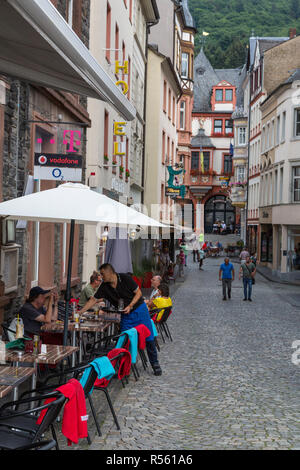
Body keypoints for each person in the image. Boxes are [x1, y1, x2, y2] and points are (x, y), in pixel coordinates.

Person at [79, 263, 162, 376]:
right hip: (126, 316)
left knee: (149, 337)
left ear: (110, 272)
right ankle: (123, 368)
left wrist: (130, 306)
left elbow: (139, 293)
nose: (102, 277)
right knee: (124, 341)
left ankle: (155, 364)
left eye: (103, 274)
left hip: (139, 310)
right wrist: (80, 312)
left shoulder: (125, 278)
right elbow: (93, 300)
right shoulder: (104, 286)